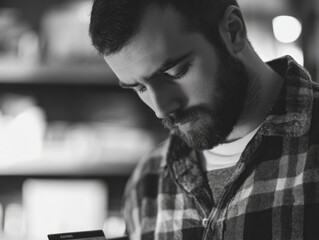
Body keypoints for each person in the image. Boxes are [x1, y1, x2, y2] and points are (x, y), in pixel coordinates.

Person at [89, 0, 319, 239]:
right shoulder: (147, 183)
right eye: (139, 88)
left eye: (174, 72)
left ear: (232, 30)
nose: (161, 108)